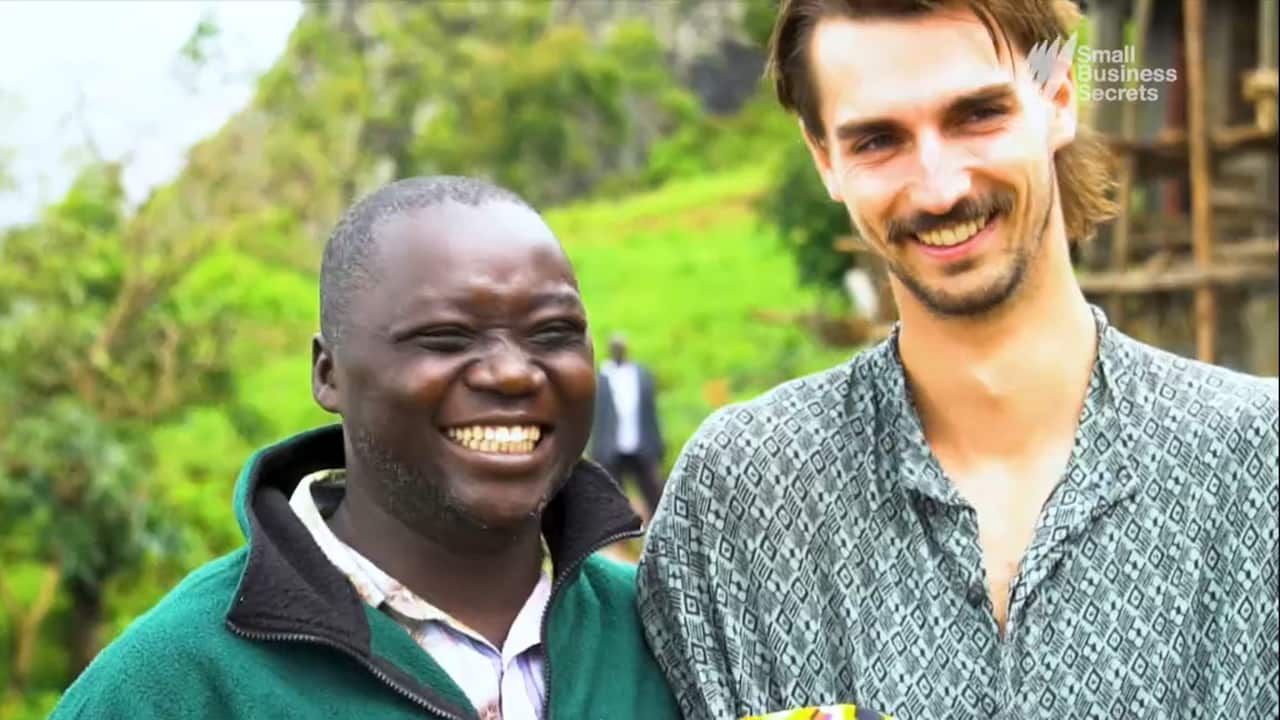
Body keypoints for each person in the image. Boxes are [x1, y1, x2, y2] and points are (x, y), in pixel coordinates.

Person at [637, 1, 1279, 719]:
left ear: (1058, 98)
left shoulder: (1258, 466)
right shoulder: (742, 501)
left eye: (977, 115)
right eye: (879, 140)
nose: (941, 188)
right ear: (825, 159)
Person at [52, 176, 679, 719]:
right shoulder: (176, 682)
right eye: (445, 337)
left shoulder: (663, 635)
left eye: (553, 333)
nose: (512, 374)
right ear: (329, 374)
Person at [591, 334, 667, 519]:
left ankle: (660, 525)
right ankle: (619, 537)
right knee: (613, 496)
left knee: (653, 489)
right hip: (611, 447)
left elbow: (650, 413)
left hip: (640, 443)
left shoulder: (640, 375)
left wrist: (656, 443)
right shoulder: (601, 378)